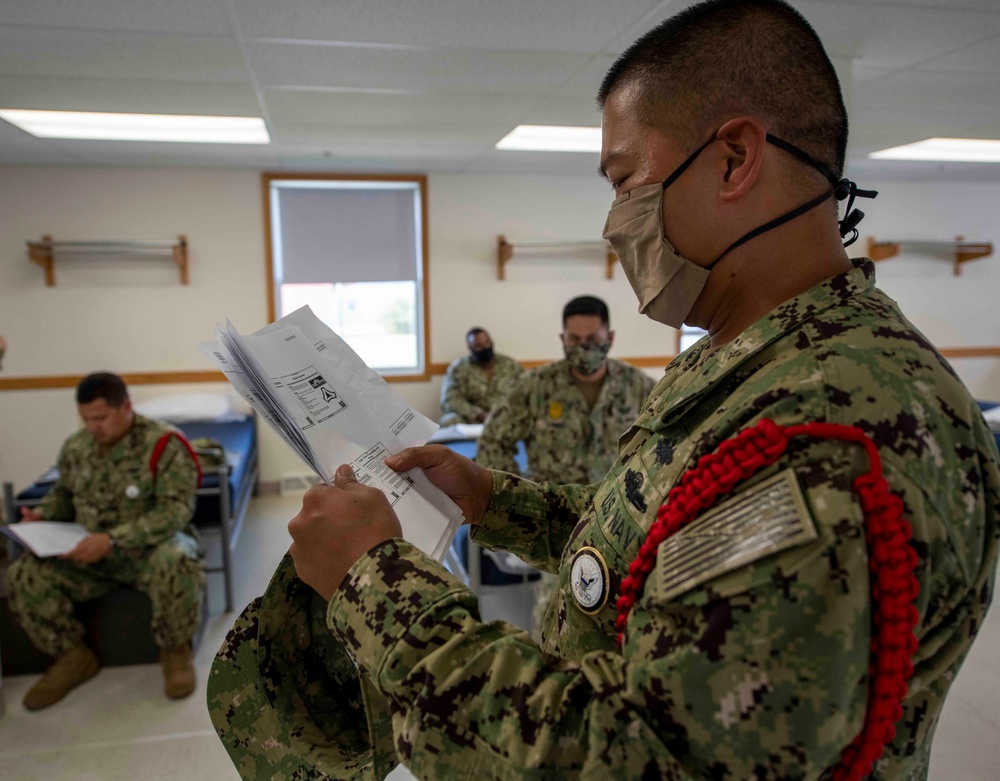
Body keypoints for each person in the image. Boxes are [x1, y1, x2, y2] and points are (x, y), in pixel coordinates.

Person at [209, 2, 1000, 779]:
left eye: (626, 181)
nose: (615, 221)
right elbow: (652, 541)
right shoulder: (747, 358)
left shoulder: (826, 433)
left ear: (733, 159)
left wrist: (373, 573)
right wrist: (491, 498)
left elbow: (640, 757)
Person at [5, 372, 204, 710]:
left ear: (126, 406)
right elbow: (63, 496)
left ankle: (175, 651)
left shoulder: (164, 444)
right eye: (85, 419)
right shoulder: (76, 447)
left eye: (100, 418)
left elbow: (175, 511)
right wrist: (44, 516)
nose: (92, 427)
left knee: (179, 558)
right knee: (22, 574)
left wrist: (112, 540)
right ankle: (72, 656)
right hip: (88, 556)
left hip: (146, 551)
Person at [476, 295, 654, 484]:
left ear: (610, 338)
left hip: (617, 503)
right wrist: (516, 493)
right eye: (574, 339)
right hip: (552, 505)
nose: (583, 347)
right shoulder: (534, 386)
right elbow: (492, 441)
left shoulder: (639, 387)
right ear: (563, 339)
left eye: (593, 338)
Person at [438, 327, 523, 426]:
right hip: (471, 418)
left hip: (504, 416)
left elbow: (526, 390)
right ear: (470, 348)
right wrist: (478, 414)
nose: (484, 348)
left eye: (487, 343)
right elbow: (450, 400)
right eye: (478, 346)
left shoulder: (510, 365)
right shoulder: (458, 368)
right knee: (448, 421)